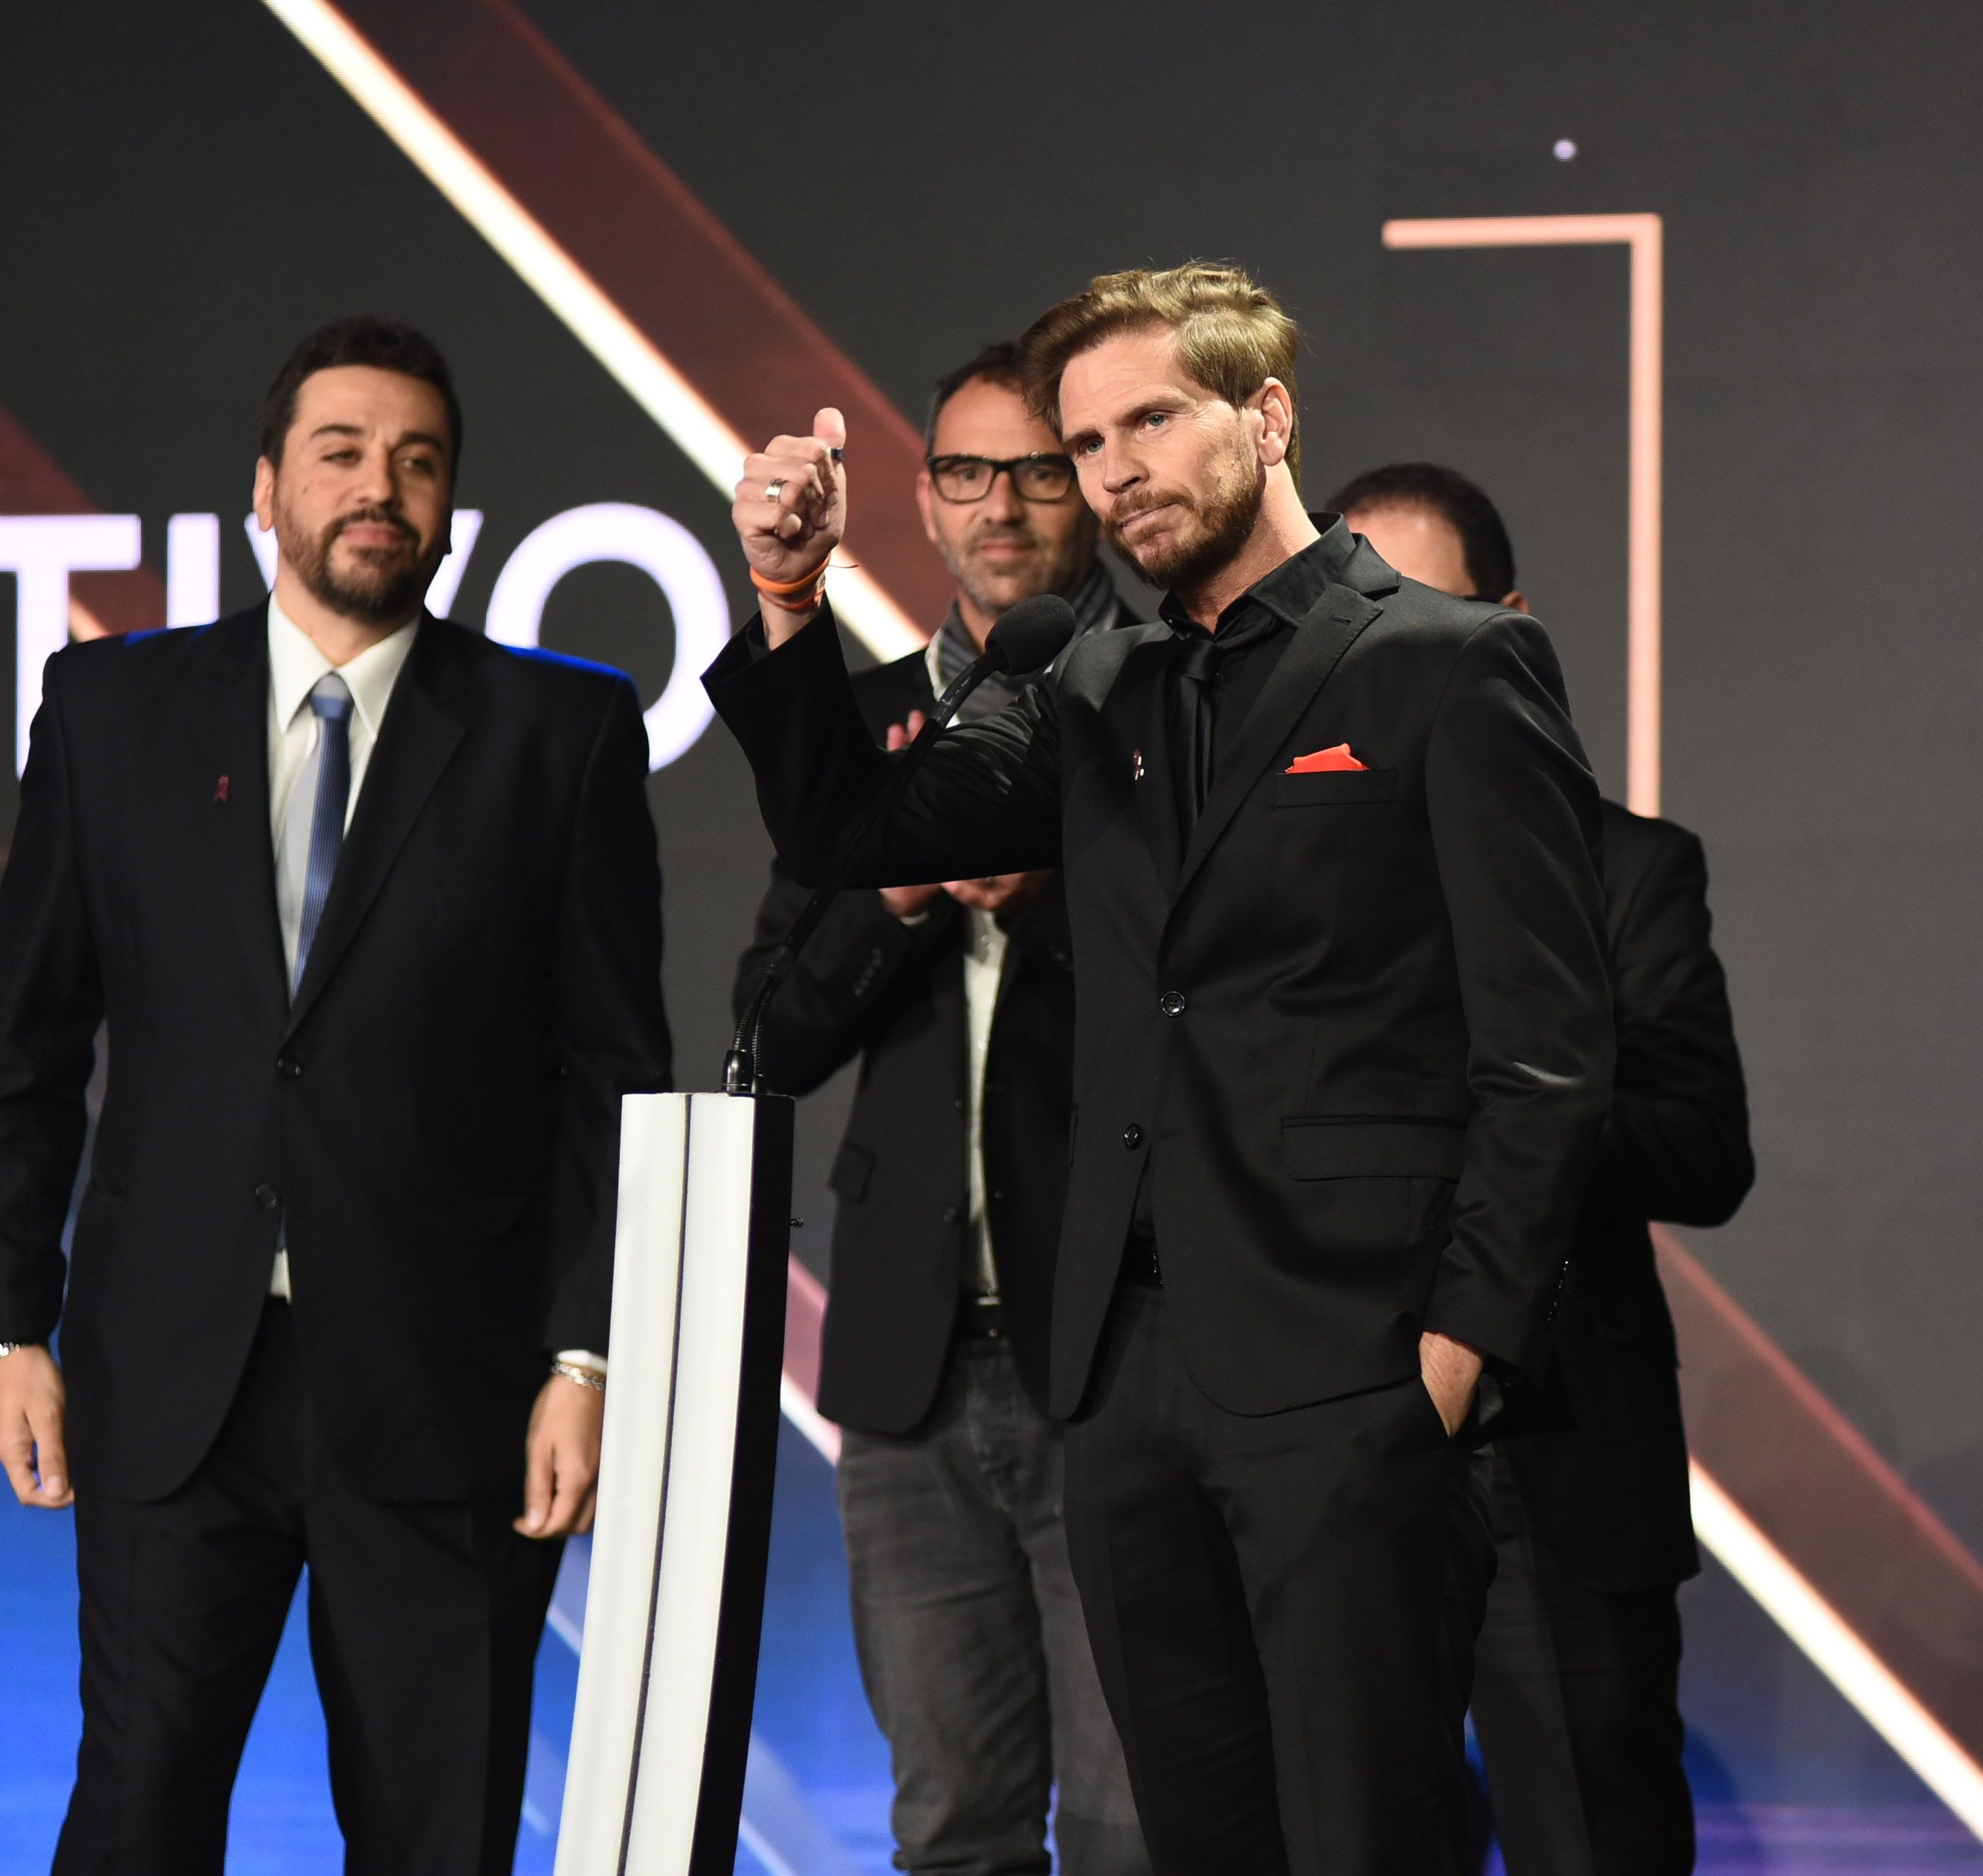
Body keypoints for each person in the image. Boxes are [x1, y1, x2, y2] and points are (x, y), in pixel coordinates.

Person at [706, 261, 1614, 1876]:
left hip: (1352, 1375)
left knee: (1367, 1842)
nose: (1112, 471)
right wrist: (789, 597)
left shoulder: (1448, 662)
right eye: (1086, 443)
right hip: (1121, 1385)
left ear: (1268, 416)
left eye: (1149, 423)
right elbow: (859, 831)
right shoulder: (1091, 682)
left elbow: (1547, 1049)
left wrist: (1458, 1352)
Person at [0, 314, 670, 1874]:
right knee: (136, 1820)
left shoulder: (561, 730)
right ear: (265, 490)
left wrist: (586, 1355)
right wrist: (9, 1325)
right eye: (341, 452)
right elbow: (25, 1048)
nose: (378, 487)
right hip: (171, 1381)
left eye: (418, 461)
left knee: (435, 1834)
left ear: (451, 507)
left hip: (451, 1390)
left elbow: (613, 1075)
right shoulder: (109, 712)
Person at [730, 341, 1145, 1874]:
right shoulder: (854, 735)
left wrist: (1050, 894)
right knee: (952, 1828)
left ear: (1093, 486)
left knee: (1134, 1826)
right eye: (968, 472)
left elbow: (1232, 1000)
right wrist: (899, 888)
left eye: (1040, 470)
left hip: (1116, 1350)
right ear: (922, 498)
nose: (1004, 507)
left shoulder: (1161, 700)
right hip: (906, 1365)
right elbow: (768, 1034)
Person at [1334, 462, 1750, 1876]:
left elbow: (1704, 1150)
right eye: (1350, 623)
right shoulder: (1264, 882)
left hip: (1551, 1451)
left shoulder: (1627, 873)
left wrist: (1529, 1097)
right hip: (1323, 1447)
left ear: (1505, 631)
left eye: (1418, 622)